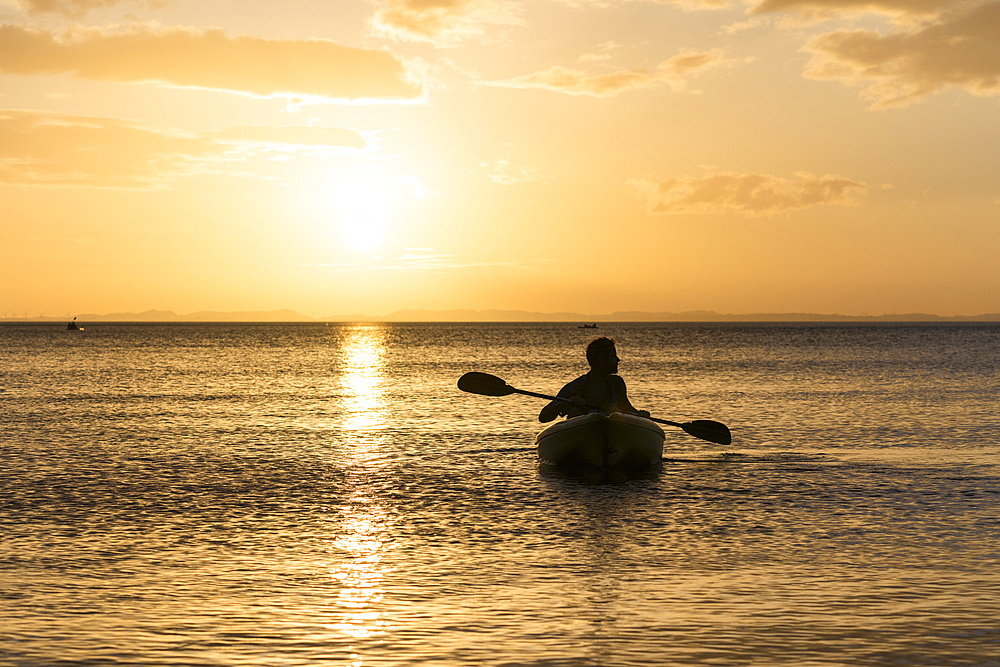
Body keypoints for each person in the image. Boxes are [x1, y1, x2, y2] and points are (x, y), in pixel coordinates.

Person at [538, 337, 650, 423]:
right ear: (601, 360)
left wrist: (640, 415)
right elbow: (543, 417)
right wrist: (567, 403)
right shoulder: (575, 387)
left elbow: (626, 409)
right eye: (613, 356)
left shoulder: (617, 383)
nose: (618, 360)